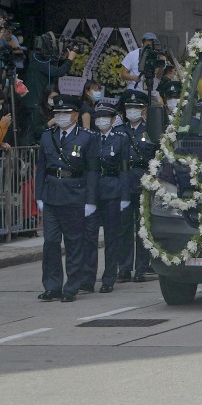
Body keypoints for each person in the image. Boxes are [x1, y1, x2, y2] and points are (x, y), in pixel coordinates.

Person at [34, 95, 98, 303]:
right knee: (51, 242)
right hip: (52, 195)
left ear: (75, 115)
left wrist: (90, 200)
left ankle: (71, 286)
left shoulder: (86, 138)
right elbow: (41, 169)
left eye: (65, 113)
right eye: (57, 113)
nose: (60, 117)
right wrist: (39, 196)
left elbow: (92, 172)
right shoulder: (47, 137)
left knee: (74, 243)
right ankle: (52, 286)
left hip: (75, 195)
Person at [80, 104, 129, 294]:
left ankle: (109, 277)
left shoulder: (120, 139)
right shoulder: (90, 138)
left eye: (105, 117)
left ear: (112, 119)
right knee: (89, 236)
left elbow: (124, 169)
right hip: (92, 192)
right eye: (98, 117)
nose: (101, 121)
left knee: (111, 236)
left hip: (112, 190)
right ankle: (88, 278)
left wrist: (124, 195)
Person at [116, 89, 158, 283]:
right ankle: (124, 267)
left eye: (137, 107)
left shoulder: (151, 130)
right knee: (123, 227)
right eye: (129, 107)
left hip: (143, 180)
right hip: (124, 182)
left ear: (143, 110)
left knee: (143, 227)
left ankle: (142, 267)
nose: (132, 110)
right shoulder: (119, 131)